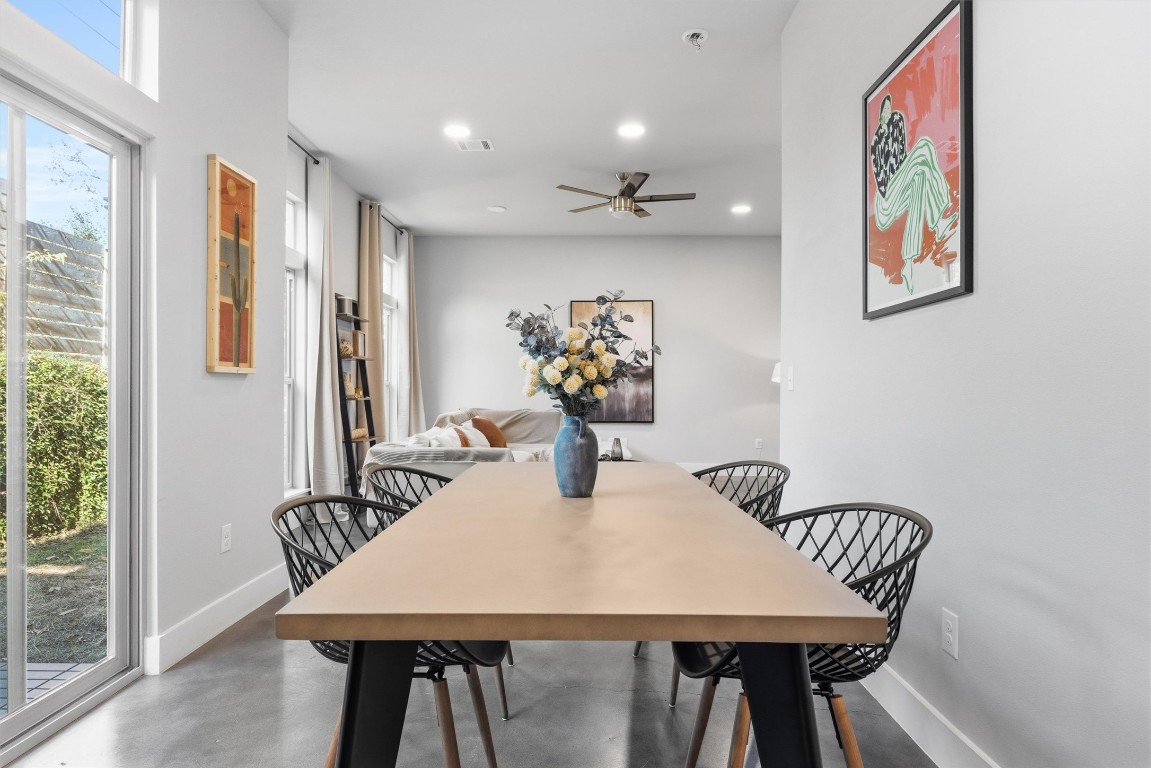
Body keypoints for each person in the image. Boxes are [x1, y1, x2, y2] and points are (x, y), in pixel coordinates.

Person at [870, 94, 957, 293]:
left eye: (888, 110)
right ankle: (939, 217)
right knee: (925, 146)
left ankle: (908, 263)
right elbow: (883, 181)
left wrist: (910, 171)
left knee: (920, 176)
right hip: (886, 201)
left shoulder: (896, 124)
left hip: (901, 186)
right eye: (884, 110)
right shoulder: (876, 143)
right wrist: (905, 175)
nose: (887, 113)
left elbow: (903, 158)